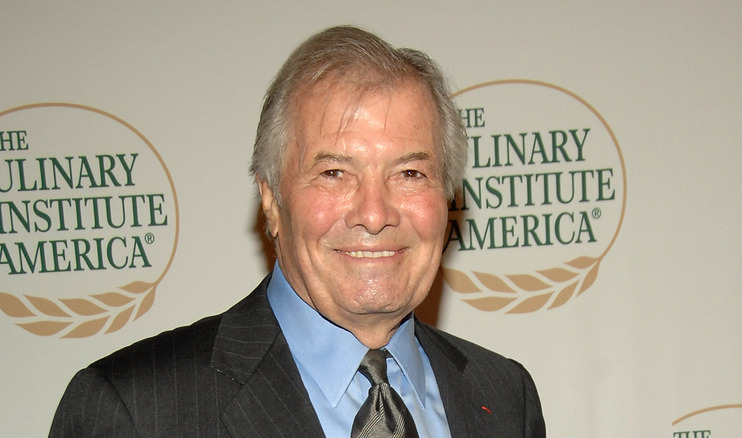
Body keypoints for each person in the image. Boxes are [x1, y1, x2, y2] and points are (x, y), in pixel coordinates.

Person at [49, 26, 545, 437]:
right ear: (271, 200)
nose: (374, 214)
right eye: (334, 173)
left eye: (409, 174)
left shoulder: (503, 397)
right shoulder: (136, 411)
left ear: (447, 197)